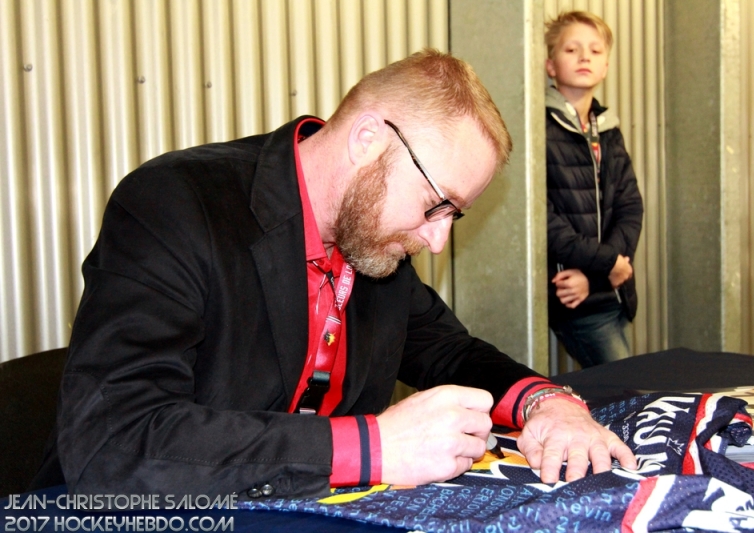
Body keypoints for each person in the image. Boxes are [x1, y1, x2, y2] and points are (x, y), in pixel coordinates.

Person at [44, 49, 635, 501]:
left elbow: (449, 352)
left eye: (453, 216)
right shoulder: (176, 204)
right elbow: (113, 441)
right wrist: (375, 447)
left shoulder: (368, 237)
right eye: (436, 206)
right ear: (367, 140)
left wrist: (547, 402)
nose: (436, 241)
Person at [544, 12, 644, 368]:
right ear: (551, 65)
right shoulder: (540, 127)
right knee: (626, 389)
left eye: (595, 50)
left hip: (610, 290)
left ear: (605, 67)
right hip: (574, 296)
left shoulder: (608, 129)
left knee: (622, 387)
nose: (584, 57)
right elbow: (542, 219)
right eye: (571, 49)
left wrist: (600, 275)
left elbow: (630, 207)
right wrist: (609, 265)